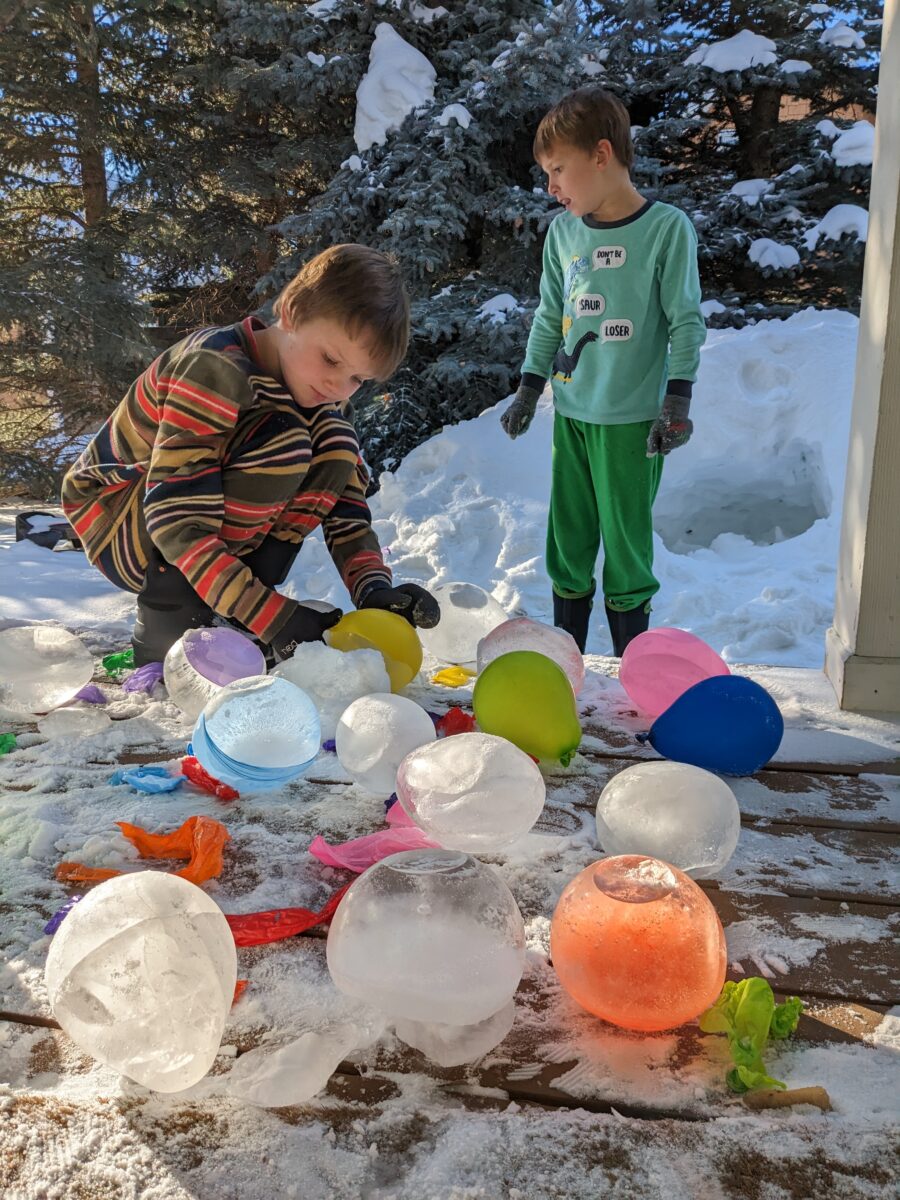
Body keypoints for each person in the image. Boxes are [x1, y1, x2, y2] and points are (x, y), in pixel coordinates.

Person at [62, 244, 439, 665]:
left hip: (179, 523)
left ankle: (236, 607)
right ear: (293, 311)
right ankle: (171, 613)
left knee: (336, 441)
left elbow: (346, 508)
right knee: (285, 441)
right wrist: (274, 618)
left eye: (357, 378)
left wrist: (373, 588)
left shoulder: (321, 396)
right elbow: (176, 520)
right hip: (124, 520)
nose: (338, 385)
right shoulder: (214, 367)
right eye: (331, 359)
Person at [501, 86, 706, 656]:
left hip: (632, 424)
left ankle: (628, 668)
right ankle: (570, 662)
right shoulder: (563, 234)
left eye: (559, 169)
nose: (552, 188)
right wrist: (527, 388)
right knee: (567, 542)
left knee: (626, 547)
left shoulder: (666, 229)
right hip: (572, 415)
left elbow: (686, 322)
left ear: (601, 154)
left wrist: (678, 402)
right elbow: (550, 314)